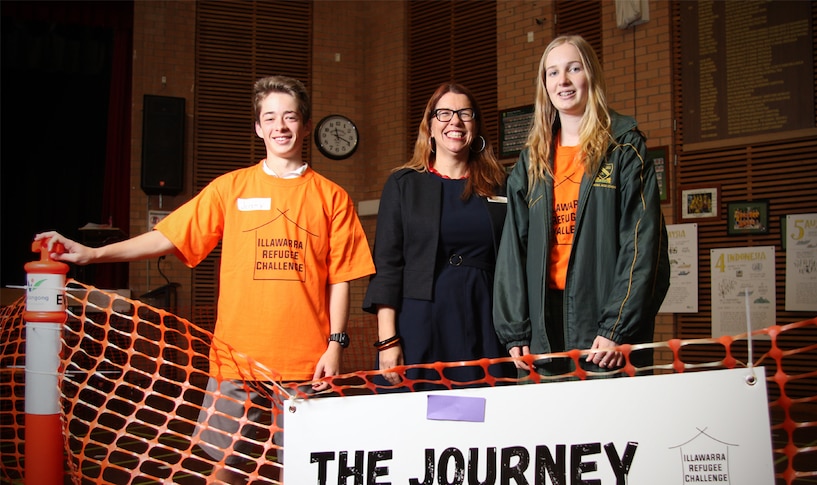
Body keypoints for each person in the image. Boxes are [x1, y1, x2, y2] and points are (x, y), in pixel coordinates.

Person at [35, 75, 375, 484]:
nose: (280, 126)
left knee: (299, 473)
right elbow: (167, 236)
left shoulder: (332, 197)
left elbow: (342, 279)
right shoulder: (230, 188)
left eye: (290, 117)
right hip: (236, 360)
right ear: (257, 127)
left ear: (304, 124)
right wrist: (94, 253)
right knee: (224, 470)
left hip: (307, 365)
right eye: (270, 117)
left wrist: (335, 345)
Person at [493, 35, 670, 379]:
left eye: (574, 68)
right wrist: (514, 327)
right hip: (543, 323)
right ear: (544, 85)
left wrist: (618, 326)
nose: (563, 81)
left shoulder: (624, 148)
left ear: (591, 76)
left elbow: (643, 245)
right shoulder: (533, 159)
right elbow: (512, 249)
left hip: (603, 319)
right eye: (553, 72)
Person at [362, 82, 509, 390]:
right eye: (443, 113)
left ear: (476, 126)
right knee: (419, 421)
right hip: (420, 320)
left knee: (484, 418)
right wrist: (387, 340)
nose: (454, 121)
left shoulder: (501, 186)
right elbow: (387, 266)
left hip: (485, 317)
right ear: (429, 127)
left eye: (464, 113)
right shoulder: (403, 184)